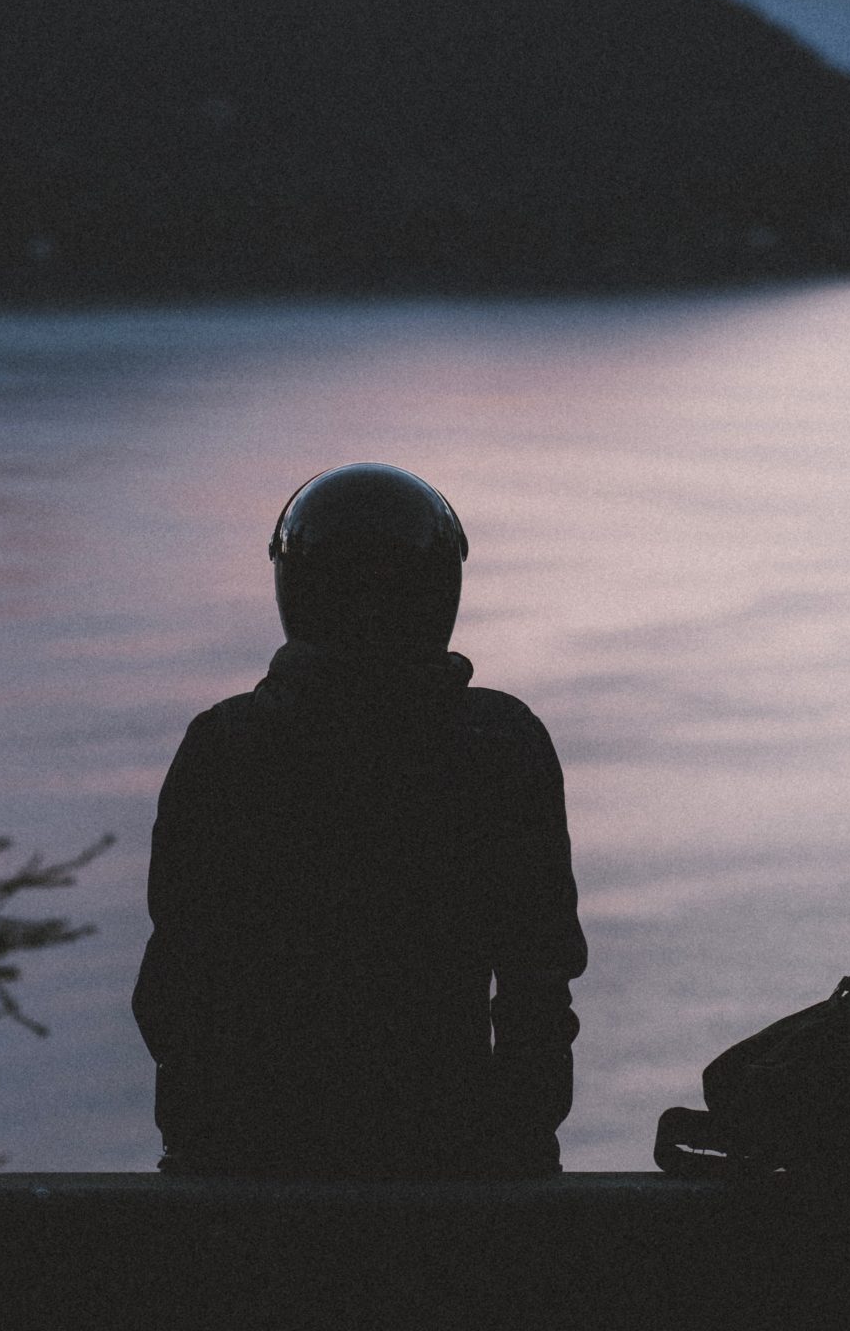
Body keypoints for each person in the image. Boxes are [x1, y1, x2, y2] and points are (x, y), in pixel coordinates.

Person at [133, 461, 587, 1179]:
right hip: (452, 1156)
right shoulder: (499, 745)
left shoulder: (227, 747)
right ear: (439, 590)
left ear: (297, 587)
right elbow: (538, 979)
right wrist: (518, 1148)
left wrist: (201, 1149)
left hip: (250, 1158)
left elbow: (177, 988)